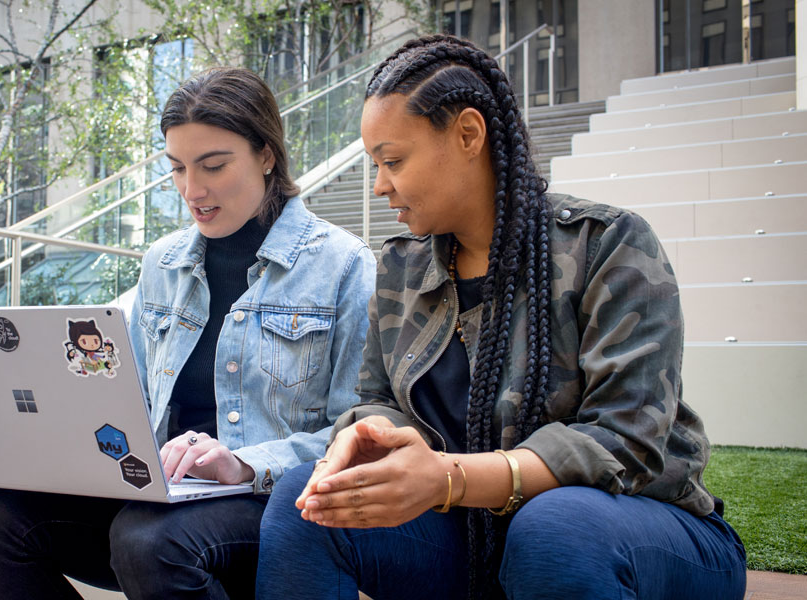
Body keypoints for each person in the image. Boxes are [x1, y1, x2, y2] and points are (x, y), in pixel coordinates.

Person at [256, 34, 746, 600]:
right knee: (308, 503)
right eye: (375, 164)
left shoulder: (608, 245)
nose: (379, 185)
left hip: (637, 529)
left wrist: (447, 479)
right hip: (476, 535)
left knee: (553, 527)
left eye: (392, 161)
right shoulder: (399, 267)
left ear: (468, 134)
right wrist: (368, 443)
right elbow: (381, 402)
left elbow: (625, 441)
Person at [0, 67, 376, 599]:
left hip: (268, 503)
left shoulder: (344, 267)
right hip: (162, 494)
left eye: (213, 165)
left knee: (147, 541)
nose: (191, 189)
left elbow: (354, 435)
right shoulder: (163, 263)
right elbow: (122, 402)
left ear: (267, 155)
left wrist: (243, 463)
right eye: (177, 168)